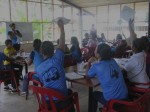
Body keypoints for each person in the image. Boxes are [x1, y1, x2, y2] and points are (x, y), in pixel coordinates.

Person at [36, 20, 74, 111]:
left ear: (41, 52)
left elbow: (43, 82)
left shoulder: (38, 68)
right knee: (70, 92)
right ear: (53, 50)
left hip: (46, 102)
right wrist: (61, 28)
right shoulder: (57, 59)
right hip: (60, 102)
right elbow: (62, 43)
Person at [86, 43, 128, 112]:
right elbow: (104, 66)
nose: (94, 51)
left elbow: (87, 76)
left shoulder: (96, 66)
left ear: (98, 54)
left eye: (96, 49)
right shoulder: (113, 61)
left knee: (94, 94)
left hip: (113, 102)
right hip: (125, 97)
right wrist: (97, 61)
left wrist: (88, 63)